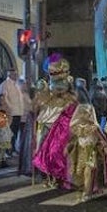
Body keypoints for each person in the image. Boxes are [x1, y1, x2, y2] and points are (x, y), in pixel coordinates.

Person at [32, 54, 79, 187]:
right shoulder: (46, 87)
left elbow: (73, 100)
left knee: (57, 151)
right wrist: (40, 95)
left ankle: (59, 176)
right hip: (46, 120)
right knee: (42, 150)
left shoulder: (69, 88)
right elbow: (37, 103)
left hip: (61, 123)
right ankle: (47, 176)